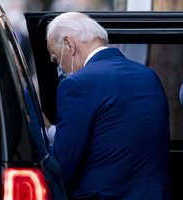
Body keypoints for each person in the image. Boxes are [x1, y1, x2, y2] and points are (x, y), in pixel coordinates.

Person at [44, 12, 170, 200]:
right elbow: (113, 134)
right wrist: (54, 132)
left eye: (56, 59)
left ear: (69, 44)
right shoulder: (148, 75)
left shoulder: (77, 84)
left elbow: (63, 168)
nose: (59, 67)